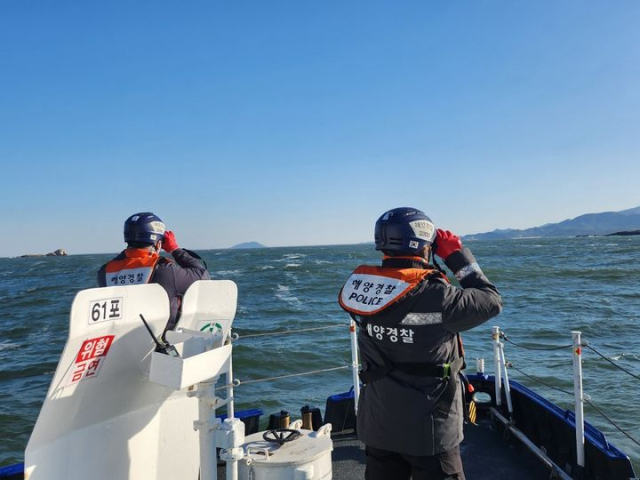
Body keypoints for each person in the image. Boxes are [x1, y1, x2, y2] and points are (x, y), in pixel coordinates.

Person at [338, 207, 503, 480]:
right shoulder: (439, 295)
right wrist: (455, 255)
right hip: (430, 430)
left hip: (378, 423)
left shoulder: (362, 289)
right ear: (425, 246)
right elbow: (491, 300)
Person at [98, 212, 210, 332]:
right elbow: (202, 276)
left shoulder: (105, 271)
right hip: (157, 339)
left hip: (119, 337)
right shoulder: (165, 270)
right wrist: (175, 249)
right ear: (158, 243)